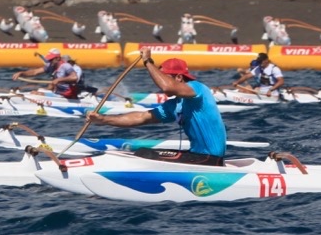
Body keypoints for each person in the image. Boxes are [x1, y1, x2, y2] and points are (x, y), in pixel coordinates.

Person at [84, 49, 227, 166]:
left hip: (209, 159)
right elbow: (141, 117)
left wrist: (147, 61)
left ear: (178, 77)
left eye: (164, 76)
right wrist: (103, 120)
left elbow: (168, 87)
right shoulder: (174, 105)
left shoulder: (198, 88)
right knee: (140, 152)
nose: (159, 82)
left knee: (144, 154)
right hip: (197, 156)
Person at [12, 48, 88, 98]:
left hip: (68, 95)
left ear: (58, 58)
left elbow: (74, 77)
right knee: (37, 91)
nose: (49, 61)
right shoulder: (50, 65)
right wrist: (22, 73)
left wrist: (59, 79)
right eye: (49, 59)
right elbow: (35, 72)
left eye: (51, 59)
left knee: (35, 93)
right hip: (58, 93)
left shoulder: (66, 66)